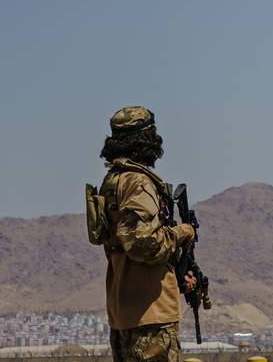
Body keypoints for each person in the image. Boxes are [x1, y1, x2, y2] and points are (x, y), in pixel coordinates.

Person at [93, 106, 196, 362]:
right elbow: (145, 244)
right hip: (150, 315)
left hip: (124, 312)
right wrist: (183, 232)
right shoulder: (139, 183)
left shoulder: (113, 181)